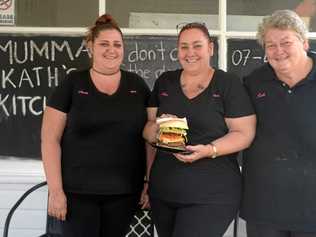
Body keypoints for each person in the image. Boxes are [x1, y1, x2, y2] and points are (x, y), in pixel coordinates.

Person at [41, 14, 150, 237]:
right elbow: (50, 139)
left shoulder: (137, 86)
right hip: (76, 194)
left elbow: (150, 138)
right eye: (104, 44)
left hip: (125, 193)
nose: (112, 50)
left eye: (117, 44)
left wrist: (149, 180)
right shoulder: (72, 83)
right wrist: (56, 191)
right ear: (91, 46)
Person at [143, 22, 256, 237]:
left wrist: (209, 150)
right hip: (164, 192)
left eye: (197, 46)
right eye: (184, 47)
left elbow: (244, 134)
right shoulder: (165, 82)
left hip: (212, 194)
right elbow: (147, 130)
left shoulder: (227, 83)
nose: (190, 53)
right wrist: (157, 130)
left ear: (210, 48)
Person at [241, 9, 316, 237]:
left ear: (304, 42)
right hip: (265, 205)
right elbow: (232, 125)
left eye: (286, 42)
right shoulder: (253, 82)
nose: (278, 51)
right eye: (270, 45)